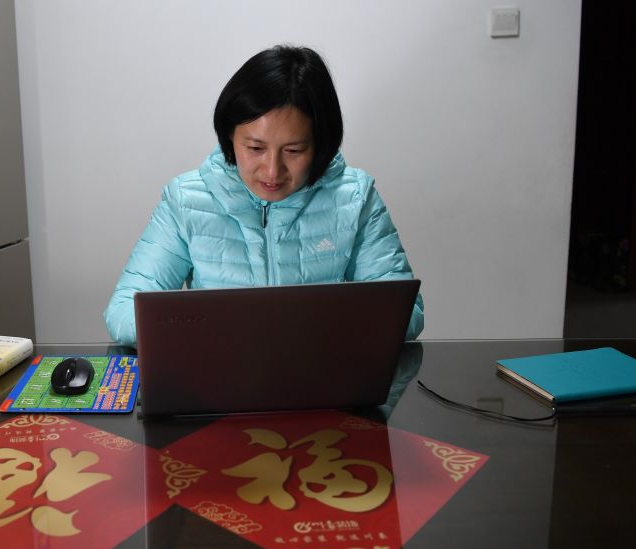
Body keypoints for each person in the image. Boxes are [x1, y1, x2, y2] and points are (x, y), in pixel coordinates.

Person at [104, 45, 424, 346]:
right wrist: (213, 334)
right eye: (255, 148)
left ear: (321, 144)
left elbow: (406, 312)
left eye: (294, 150)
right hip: (218, 376)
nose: (272, 171)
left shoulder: (355, 198)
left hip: (321, 374)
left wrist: (318, 330)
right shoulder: (186, 200)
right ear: (230, 137)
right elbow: (123, 313)